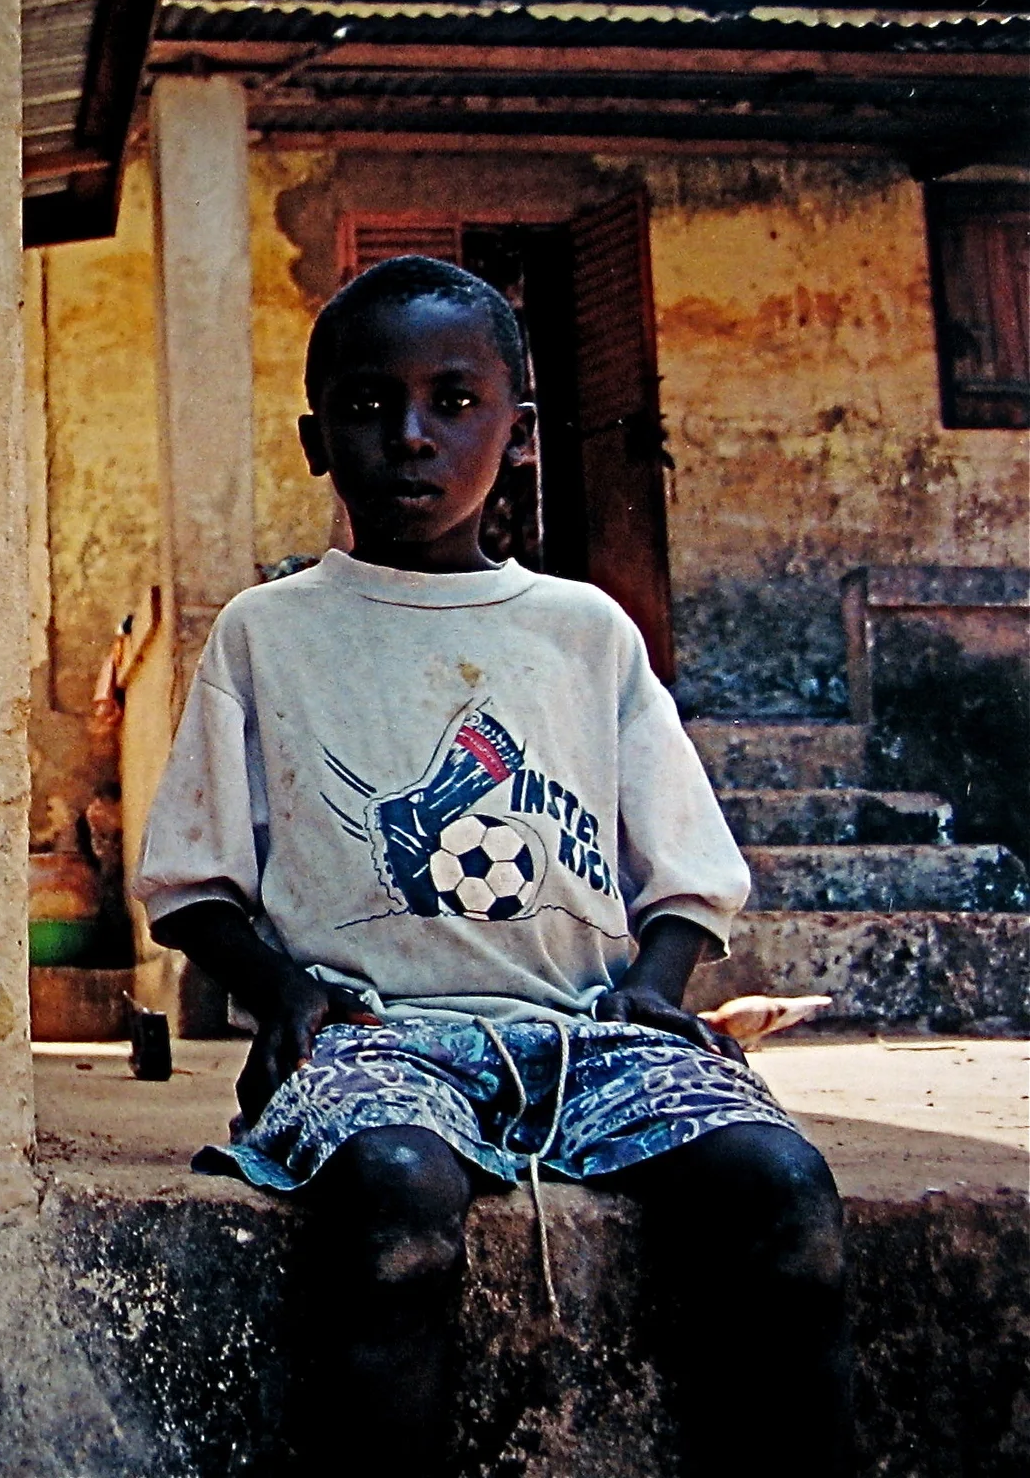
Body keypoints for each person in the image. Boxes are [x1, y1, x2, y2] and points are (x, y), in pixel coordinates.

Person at [132, 256, 853, 1478]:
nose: (410, 436)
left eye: (453, 402)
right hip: (373, 1040)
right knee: (396, 1205)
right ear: (317, 440)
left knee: (781, 1193)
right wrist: (284, 994)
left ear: (517, 435)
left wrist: (655, 986)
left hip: (580, 1034)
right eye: (367, 406)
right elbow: (192, 880)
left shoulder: (581, 632)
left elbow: (682, 862)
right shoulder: (270, 633)